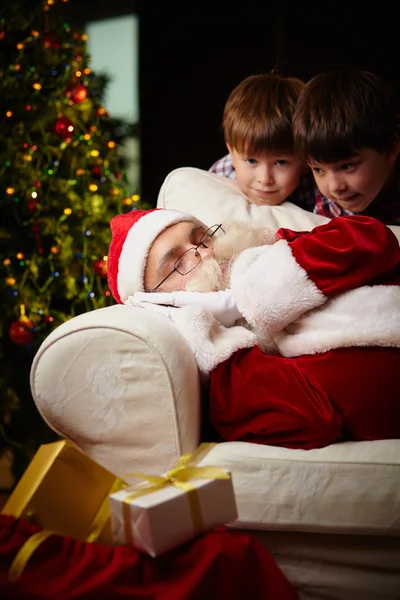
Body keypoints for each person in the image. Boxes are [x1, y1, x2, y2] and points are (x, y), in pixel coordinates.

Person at [107, 208, 400, 450]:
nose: (205, 254)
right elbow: (313, 423)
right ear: (162, 301)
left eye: (201, 238)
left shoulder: (275, 253)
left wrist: (260, 290)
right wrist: (211, 338)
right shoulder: (234, 367)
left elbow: (376, 239)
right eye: (177, 264)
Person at [292, 68, 400, 224]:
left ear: (390, 150)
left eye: (347, 166)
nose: (335, 186)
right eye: (318, 170)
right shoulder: (305, 183)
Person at [209, 72, 318, 208]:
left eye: (281, 162)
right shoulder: (218, 178)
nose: (265, 179)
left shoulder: (318, 183)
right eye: (251, 161)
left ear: (305, 162)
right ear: (231, 152)